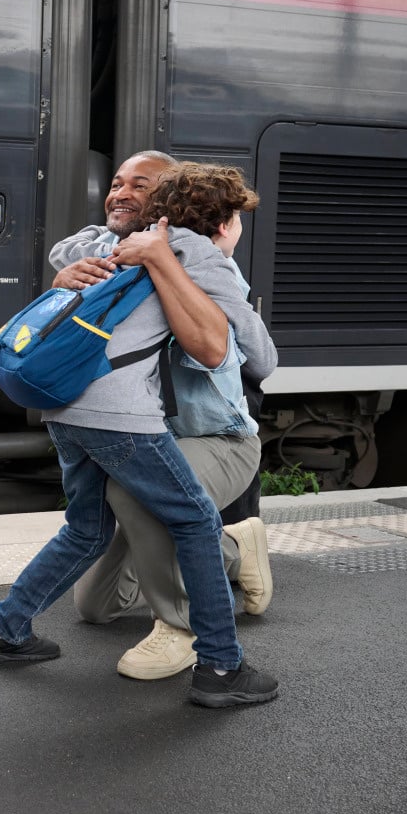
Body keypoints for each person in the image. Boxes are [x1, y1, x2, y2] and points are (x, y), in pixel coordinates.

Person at [0, 152, 279, 708]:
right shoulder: (191, 251)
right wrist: (219, 260)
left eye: (139, 185)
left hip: (62, 409)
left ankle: (1, 632)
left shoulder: (97, 247)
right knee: (196, 520)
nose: (121, 193)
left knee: (87, 528)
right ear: (217, 217)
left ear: (159, 198)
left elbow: (68, 247)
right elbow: (259, 356)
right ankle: (221, 667)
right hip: (121, 417)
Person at [64, 160, 275, 681]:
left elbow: (257, 358)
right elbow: (78, 243)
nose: (122, 194)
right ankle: (234, 545)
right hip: (151, 442)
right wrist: (65, 276)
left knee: (135, 495)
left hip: (216, 437)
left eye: (141, 187)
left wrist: (184, 264)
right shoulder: (114, 257)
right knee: (95, 607)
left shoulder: (204, 266)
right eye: (116, 184)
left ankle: (180, 629)